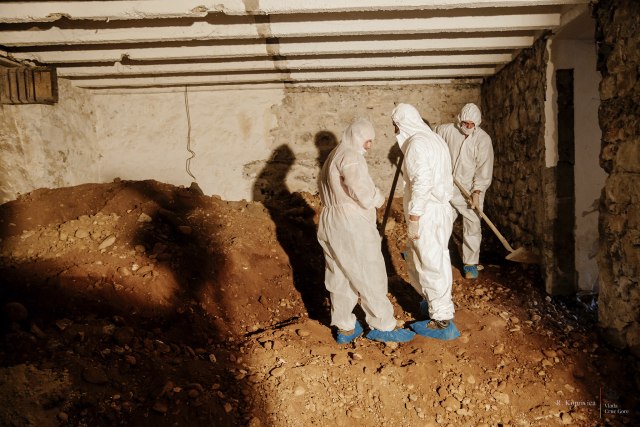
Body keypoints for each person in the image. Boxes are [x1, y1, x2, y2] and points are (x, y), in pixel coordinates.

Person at [317, 118, 415, 344]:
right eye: (367, 140)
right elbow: (360, 189)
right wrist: (378, 199)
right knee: (369, 270)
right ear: (356, 137)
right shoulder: (351, 156)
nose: (369, 146)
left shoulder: (333, 155)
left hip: (330, 220)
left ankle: (345, 327)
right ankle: (383, 325)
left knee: (339, 273)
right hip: (351, 222)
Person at [391, 103, 459, 340]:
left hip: (428, 212)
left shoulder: (417, 144)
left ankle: (442, 320)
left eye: (394, 125)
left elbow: (422, 182)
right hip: (439, 210)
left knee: (431, 262)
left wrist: (414, 216)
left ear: (401, 124)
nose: (394, 130)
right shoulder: (434, 139)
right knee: (424, 258)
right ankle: (431, 302)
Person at [435, 103, 494, 279]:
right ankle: (429, 254)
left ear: (477, 123)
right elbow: (430, 139)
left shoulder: (483, 140)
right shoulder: (445, 130)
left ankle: (470, 264)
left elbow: (484, 168)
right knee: (441, 221)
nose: (467, 127)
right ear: (459, 120)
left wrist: (477, 191)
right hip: (447, 186)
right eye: (465, 123)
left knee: (472, 224)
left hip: (470, 190)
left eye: (471, 124)